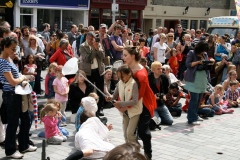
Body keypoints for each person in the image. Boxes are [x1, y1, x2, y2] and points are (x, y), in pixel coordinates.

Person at [0, 37, 37, 158]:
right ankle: (10, 150)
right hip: (11, 95)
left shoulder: (9, 59)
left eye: (15, 48)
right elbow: (12, 81)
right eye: (11, 49)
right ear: (4, 47)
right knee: (13, 123)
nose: (13, 51)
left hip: (19, 93)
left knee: (26, 119)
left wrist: (23, 77)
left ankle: (24, 144)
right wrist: (23, 78)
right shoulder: (3, 62)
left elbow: (17, 75)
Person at [123, 47, 157, 159]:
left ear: (133, 56)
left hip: (144, 104)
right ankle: (133, 154)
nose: (123, 58)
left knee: (143, 131)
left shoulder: (141, 74)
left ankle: (148, 155)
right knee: (128, 133)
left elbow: (139, 95)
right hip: (130, 103)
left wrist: (124, 105)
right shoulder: (127, 68)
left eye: (125, 55)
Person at [106, 64, 142, 143]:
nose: (121, 79)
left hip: (134, 112)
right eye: (119, 77)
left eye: (123, 76)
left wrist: (120, 104)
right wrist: (110, 98)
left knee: (130, 134)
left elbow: (135, 101)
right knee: (125, 135)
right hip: (125, 113)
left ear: (129, 74)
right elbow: (115, 95)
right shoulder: (120, 83)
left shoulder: (134, 84)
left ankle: (136, 148)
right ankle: (129, 150)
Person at [184, 42, 212, 125]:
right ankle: (191, 118)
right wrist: (198, 62)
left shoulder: (205, 54)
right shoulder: (192, 53)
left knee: (199, 99)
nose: (204, 52)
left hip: (202, 78)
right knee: (194, 99)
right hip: (194, 79)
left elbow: (206, 64)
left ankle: (195, 115)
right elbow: (188, 64)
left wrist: (209, 63)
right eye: (203, 50)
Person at [79, 32, 105, 116]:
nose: (92, 41)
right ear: (87, 38)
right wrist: (94, 49)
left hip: (99, 70)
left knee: (100, 90)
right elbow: (87, 58)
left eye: (93, 39)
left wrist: (97, 48)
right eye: (90, 39)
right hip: (89, 72)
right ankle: (89, 108)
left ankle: (100, 108)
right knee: (89, 90)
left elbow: (102, 56)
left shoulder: (98, 44)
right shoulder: (83, 46)